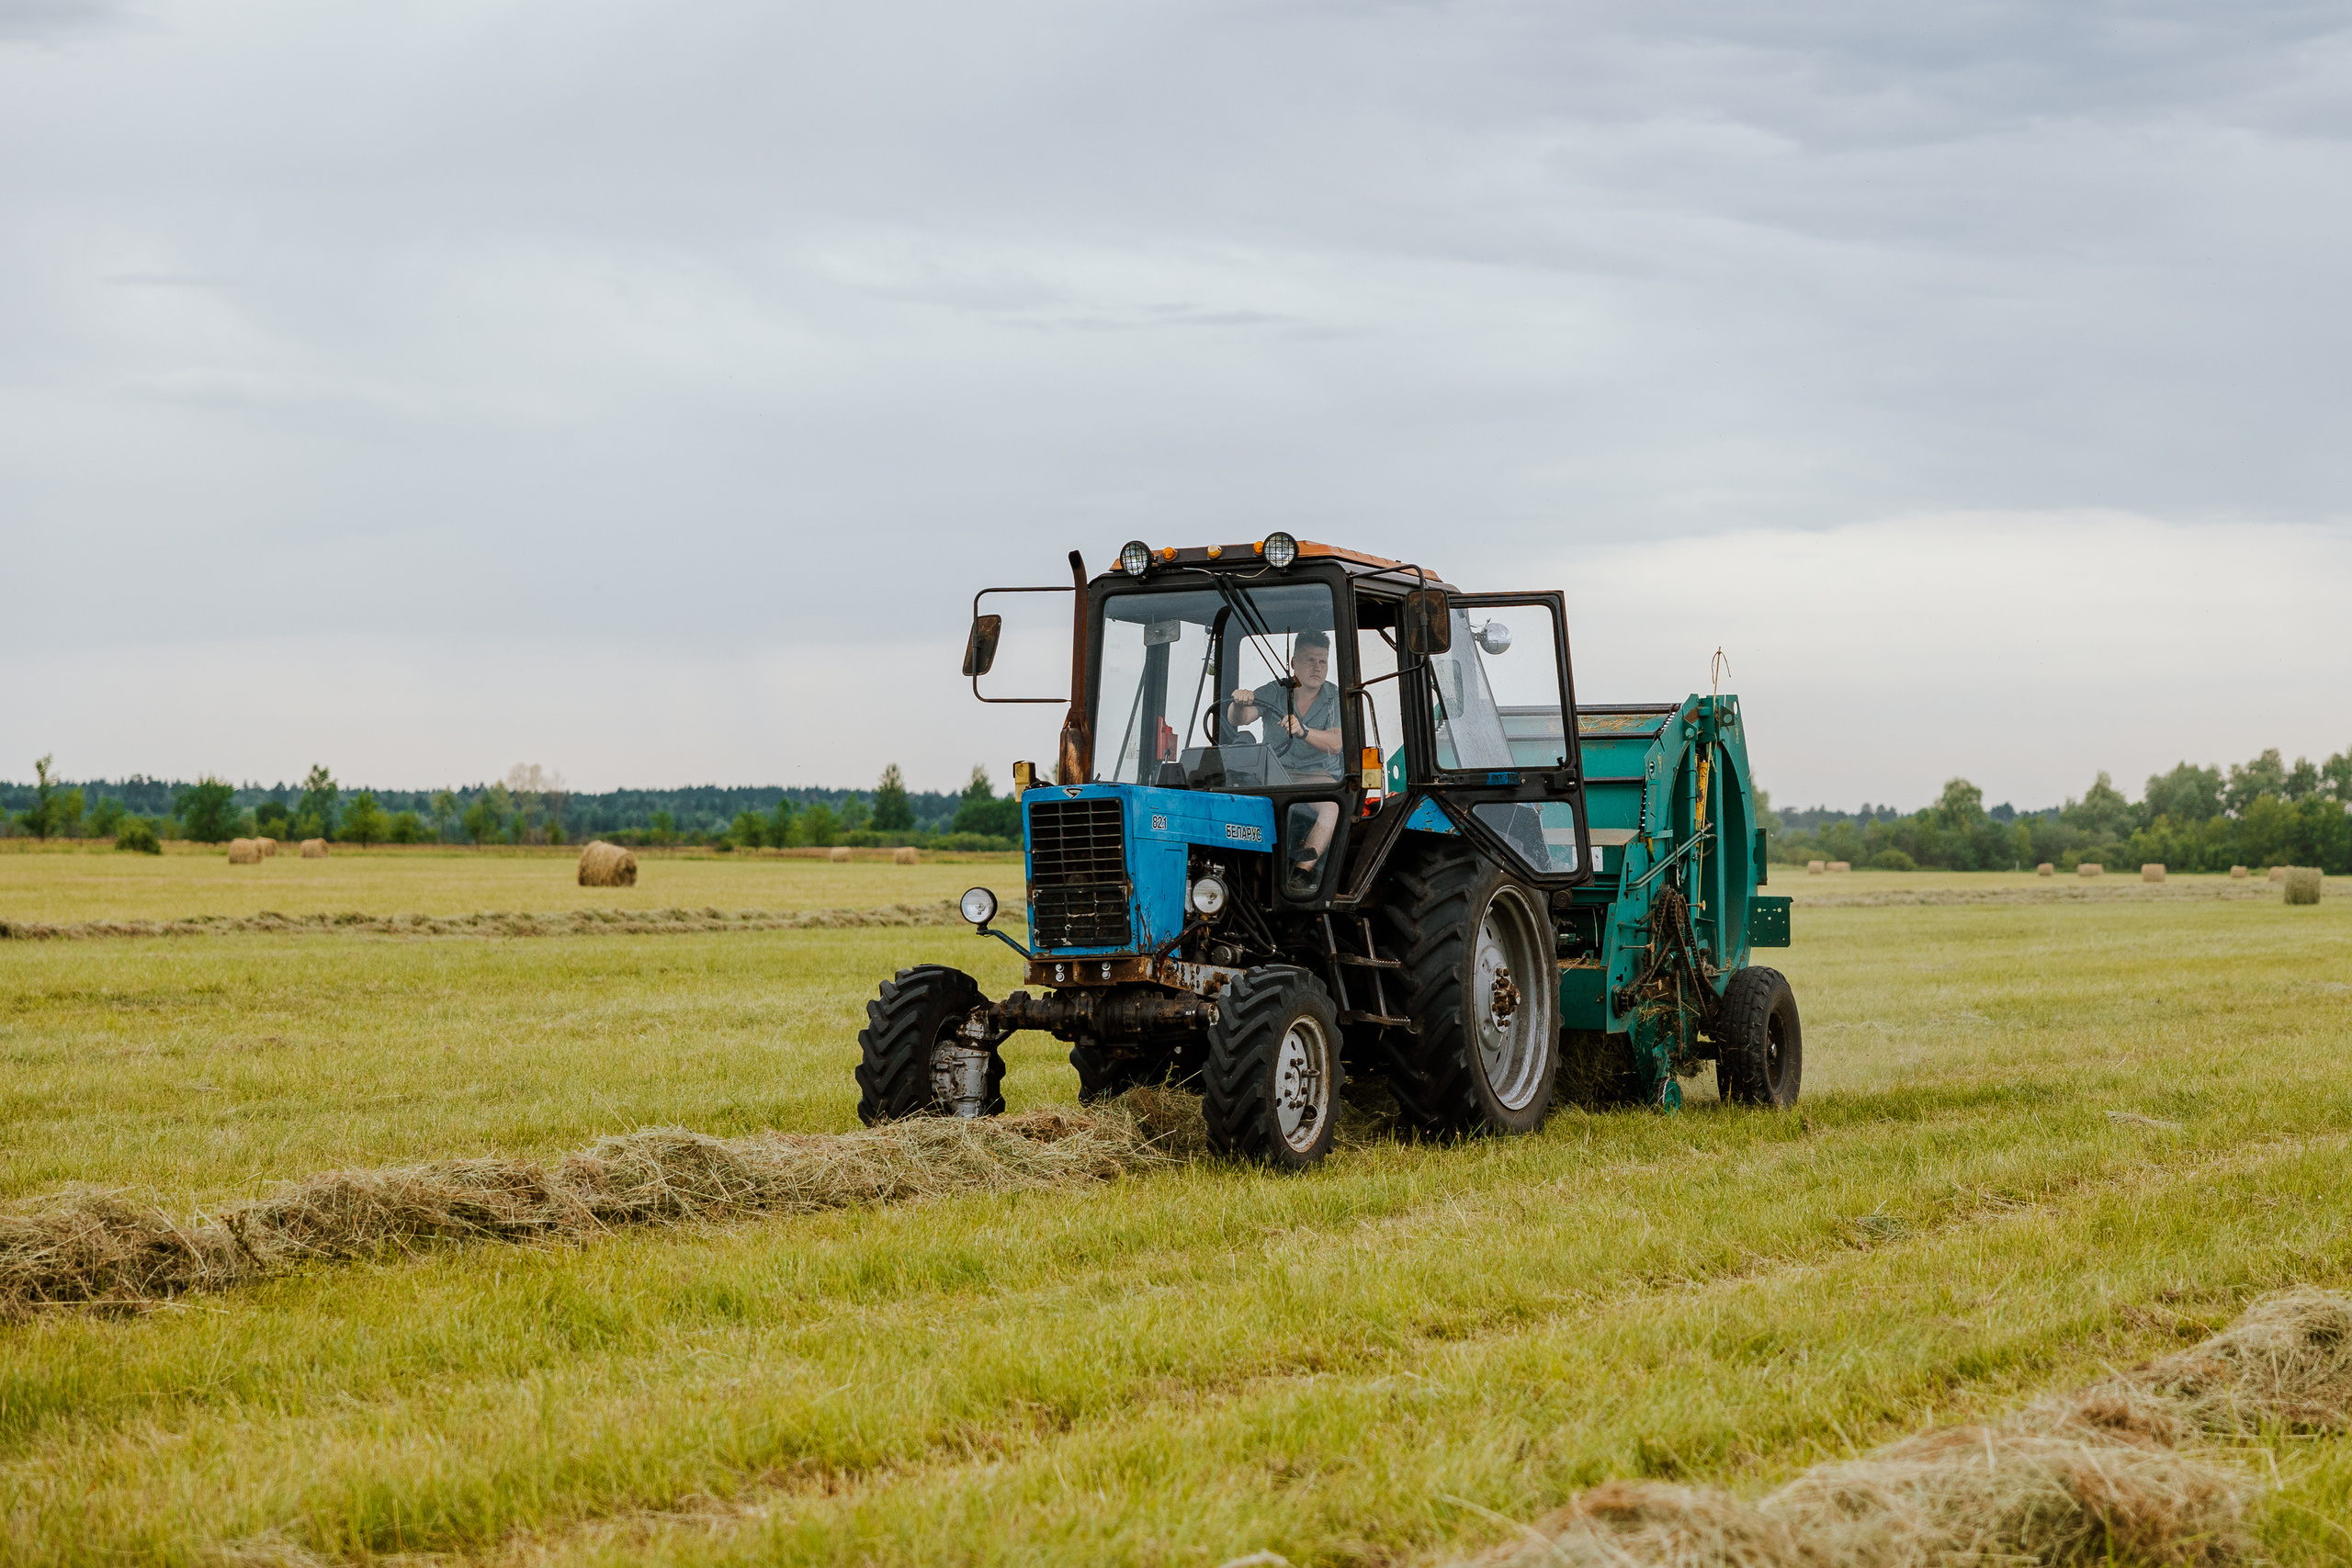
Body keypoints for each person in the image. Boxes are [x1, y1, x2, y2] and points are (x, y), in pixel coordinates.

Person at [1228, 630, 1342, 891]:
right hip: (1273, 774)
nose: (1317, 667)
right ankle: (1244, 874)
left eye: (1322, 661)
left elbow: (1336, 744)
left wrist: (1303, 731)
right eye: (1309, 660)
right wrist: (1239, 702)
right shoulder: (1274, 691)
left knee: (1331, 808)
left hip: (1317, 776)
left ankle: (1301, 874)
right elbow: (1240, 718)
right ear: (1293, 663)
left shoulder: (1334, 697)